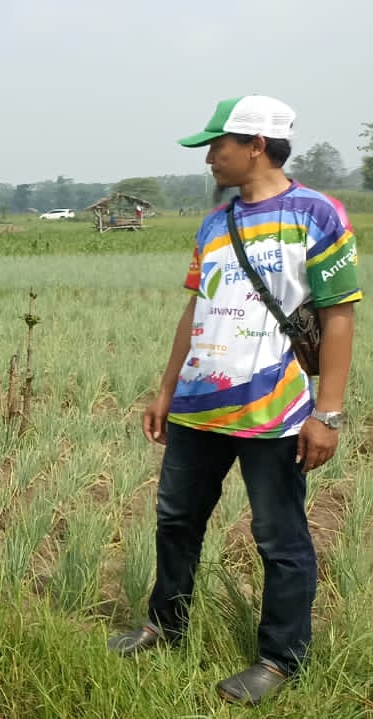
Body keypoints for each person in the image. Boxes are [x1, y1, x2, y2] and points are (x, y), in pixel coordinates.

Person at [108, 96, 359, 706]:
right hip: (199, 405)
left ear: (256, 145)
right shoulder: (216, 221)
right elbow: (195, 308)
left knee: (279, 536)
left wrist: (326, 414)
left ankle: (279, 657)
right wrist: (166, 389)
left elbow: (340, 317)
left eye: (217, 146)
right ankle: (163, 627)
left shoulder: (316, 214)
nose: (210, 158)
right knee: (176, 521)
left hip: (275, 413)